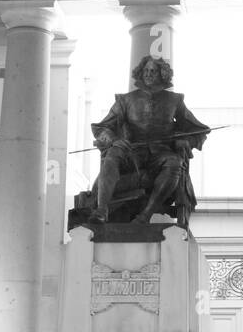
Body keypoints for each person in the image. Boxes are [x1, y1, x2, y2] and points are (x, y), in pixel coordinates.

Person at [90, 55, 210, 225]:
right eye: (146, 70)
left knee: (174, 162)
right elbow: (102, 127)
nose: (149, 74)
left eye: (153, 71)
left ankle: (145, 215)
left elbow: (200, 130)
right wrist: (113, 139)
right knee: (113, 155)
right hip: (131, 153)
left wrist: (186, 141)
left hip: (161, 154)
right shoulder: (126, 100)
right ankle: (101, 210)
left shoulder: (174, 101)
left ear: (163, 74)